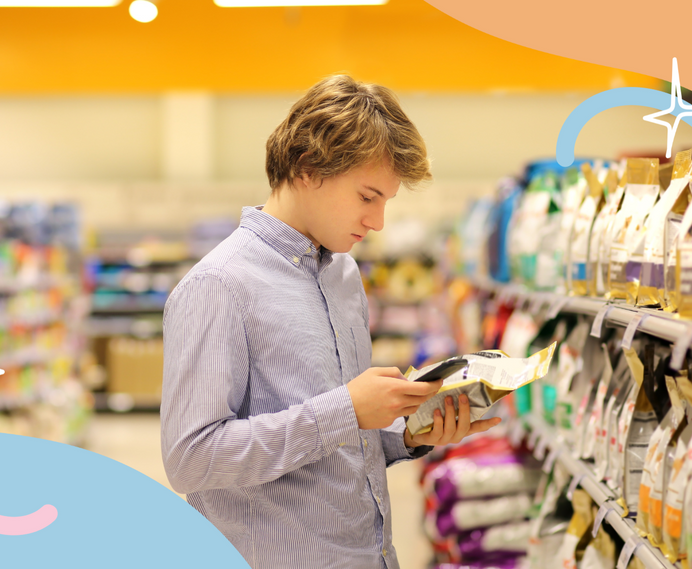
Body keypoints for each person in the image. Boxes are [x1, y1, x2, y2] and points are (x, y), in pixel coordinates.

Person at [161, 74, 501, 569]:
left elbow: (339, 440)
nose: (379, 221)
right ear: (307, 168)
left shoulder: (343, 273)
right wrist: (346, 409)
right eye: (368, 197)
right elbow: (192, 459)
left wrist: (407, 433)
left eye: (387, 201)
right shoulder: (218, 286)